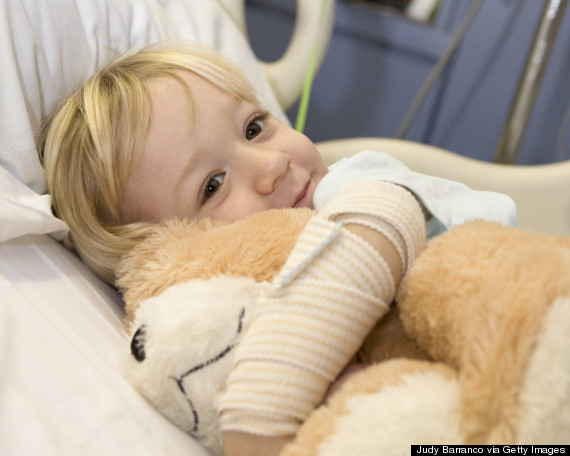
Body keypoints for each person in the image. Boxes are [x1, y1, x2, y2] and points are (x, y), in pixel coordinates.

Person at [40, 43, 516, 456]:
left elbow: (380, 223)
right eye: (213, 185)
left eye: (253, 127)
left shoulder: (356, 189)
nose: (272, 163)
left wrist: (266, 404)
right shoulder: (229, 321)